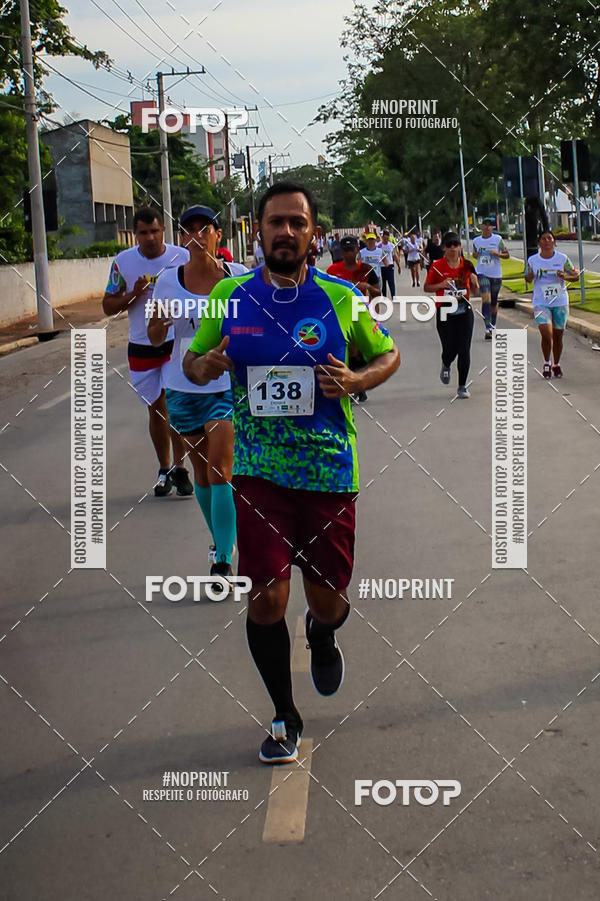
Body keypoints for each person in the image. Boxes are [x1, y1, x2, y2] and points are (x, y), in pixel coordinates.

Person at [183, 181, 400, 764]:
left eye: (296, 223)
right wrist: (205, 365)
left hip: (328, 470)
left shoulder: (342, 298)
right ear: (257, 231)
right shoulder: (230, 295)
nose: (285, 232)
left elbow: (389, 354)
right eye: (275, 222)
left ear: (313, 234)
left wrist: (357, 379)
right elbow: (193, 361)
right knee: (266, 598)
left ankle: (322, 632)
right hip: (258, 471)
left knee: (327, 600)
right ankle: (284, 714)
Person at [148, 205, 248, 583]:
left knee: (222, 468)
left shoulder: (238, 276)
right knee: (203, 472)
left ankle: (222, 558)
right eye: (189, 230)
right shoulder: (167, 281)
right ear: (182, 238)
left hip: (227, 385)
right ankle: (220, 538)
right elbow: (155, 336)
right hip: (182, 385)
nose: (197, 236)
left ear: (218, 235)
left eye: (204, 229)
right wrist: (159, 326)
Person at [102, 207, 193, 497]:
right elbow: (108, 305)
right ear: (135, 234)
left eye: (155, 231)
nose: (150, 237)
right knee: (156, 409)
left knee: (173, 405)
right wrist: (134, 294)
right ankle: (165, 468)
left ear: (163, 230)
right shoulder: (123, 262)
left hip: (175, 342)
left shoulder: (182, 257)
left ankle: (180, 468)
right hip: (142, 345)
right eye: (143, 233)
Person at [327, 234, 382, 404]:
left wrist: (368, 287)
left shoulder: (366, 269)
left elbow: (378, 293)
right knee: (347, 350)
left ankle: (358, 386)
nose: (349, 253)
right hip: (340, 314)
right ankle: (355, 387)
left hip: (360, 314)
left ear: (358, 250)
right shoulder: (332, 271)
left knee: (358, 351)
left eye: (352, 249)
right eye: (346, 250)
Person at [424, 231, 479, 399]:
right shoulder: (437, 266)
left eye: (456, 244)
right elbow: (427, 287)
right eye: (449, 245)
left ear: (460, 247)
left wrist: (475, 283)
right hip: (445, 310)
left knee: (464, 348)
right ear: (444, 248)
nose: (453, 248)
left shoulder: (467, 265)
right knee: (450, 348)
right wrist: (441, 284)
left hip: (464, 309)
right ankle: (446, 363)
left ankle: (462, 386)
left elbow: (475, 290)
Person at [524, 230, 578, 378]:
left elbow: (575, 276)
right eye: (544, 238)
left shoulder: (562, 258)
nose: (547, 241)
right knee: (546, 333)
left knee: (558, 335)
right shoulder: (533, 260)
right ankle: (546, 362)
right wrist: (531, 275)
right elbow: (527, 278)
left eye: (550, 238)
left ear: (554, 242)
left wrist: (564, 276)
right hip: (541, 301)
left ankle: (556, 364)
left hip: (559, 301)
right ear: (539, 243)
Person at [472, 217, 510, 339]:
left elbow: (507, 255)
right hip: (482, 272)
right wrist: (477, 254)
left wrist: (497, 254)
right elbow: (474, 254)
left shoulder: (498, 239)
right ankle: (487, 328)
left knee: (493, 301)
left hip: (496, 274)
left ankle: (493, 325)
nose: (487, 227)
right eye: (485, 225)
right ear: (481, 227)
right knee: (486, 299)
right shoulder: (476, 240)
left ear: (492, 227)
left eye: (490, 225)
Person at [378, 229, 396, 298]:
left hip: (390, 265)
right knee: (383, 283)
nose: (386, 240)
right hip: (381, 266)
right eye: (384, 238)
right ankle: (384, 296)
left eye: (387, 238)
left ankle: (393, 296)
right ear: (382, 237)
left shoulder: (391, 245)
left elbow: (394, 255)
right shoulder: (379, 245)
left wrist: (398, 265)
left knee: (391, 282)